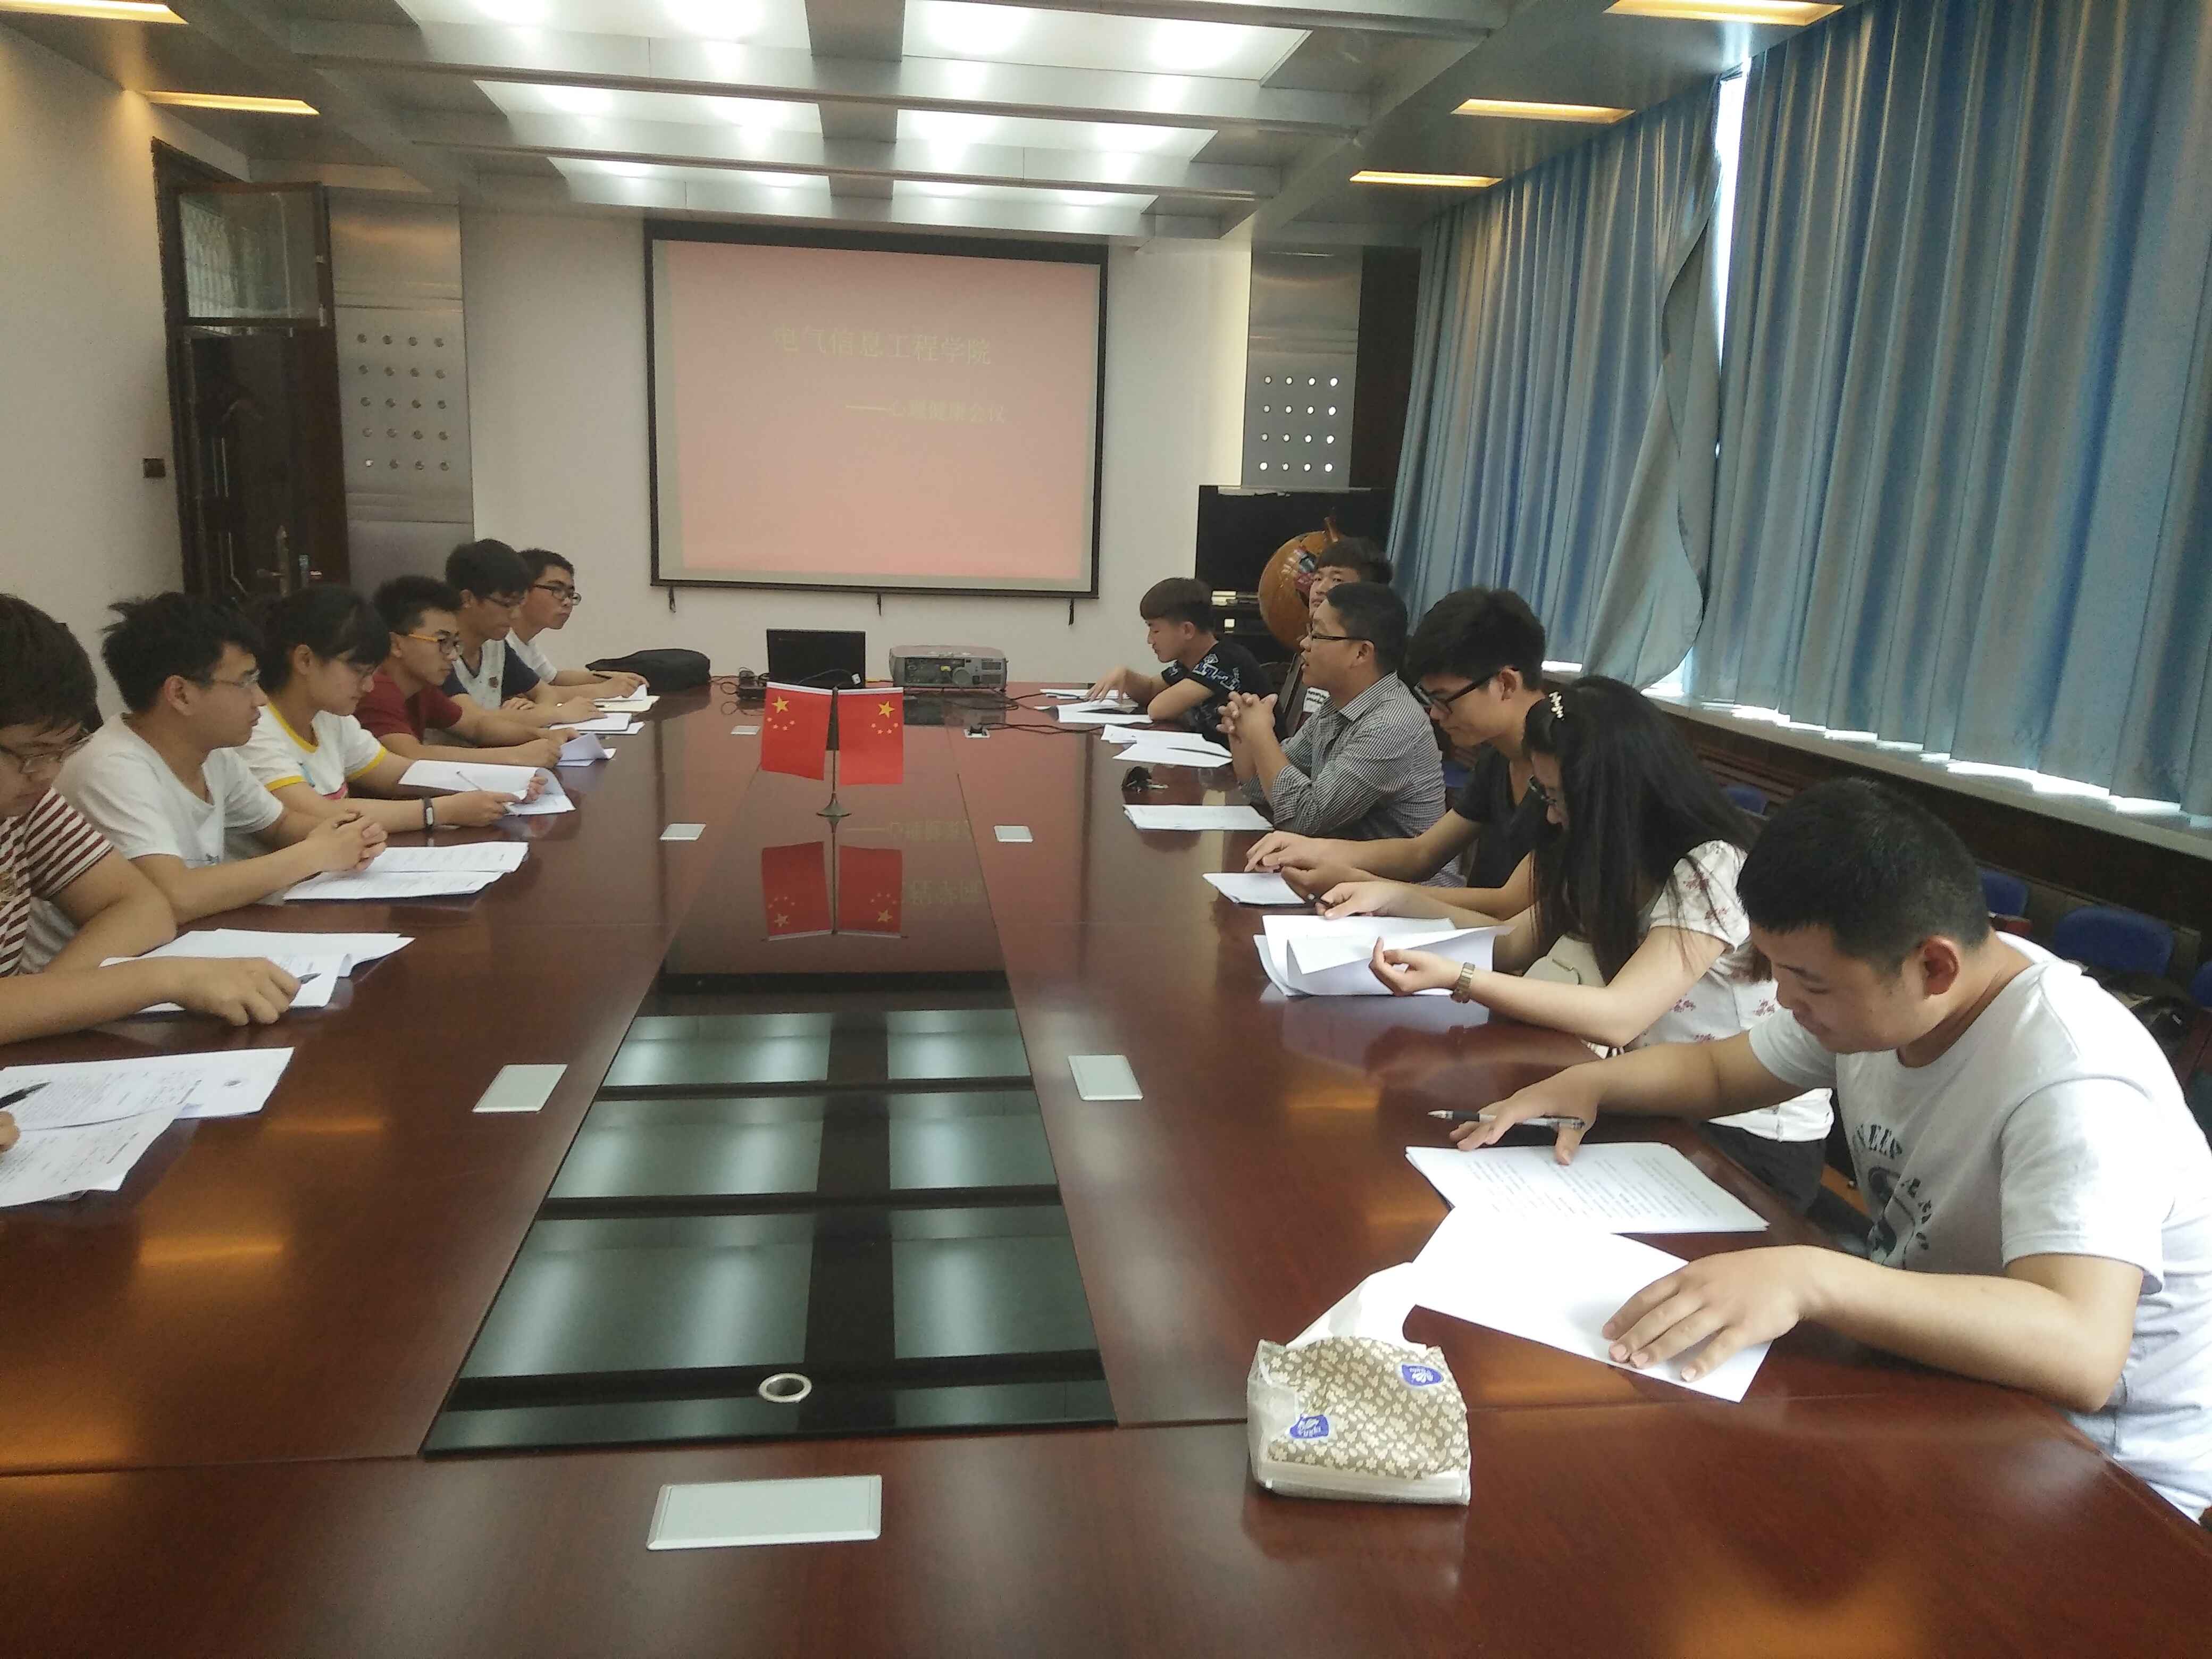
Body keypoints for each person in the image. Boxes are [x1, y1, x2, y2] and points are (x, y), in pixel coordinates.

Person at [1464, 778, 2212, 1522]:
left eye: (1807, 983)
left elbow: (2081, 1348)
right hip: (1943, 1377)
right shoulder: (1896, 995)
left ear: (1935, 968)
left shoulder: (2073, 1074)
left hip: (2103, 1472)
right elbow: (1719, 1072)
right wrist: (1590, 1084)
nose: (1784, 1001)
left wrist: (1812, 1278)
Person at [1366, 678, 1833, 1211]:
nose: (1550, 814)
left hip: (1743, 1133)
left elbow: (1619, 1017)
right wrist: (1396, 901)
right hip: (1652, 1096)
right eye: (1545, 794)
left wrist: (1462, 978)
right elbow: (1514, 943)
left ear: (1613, 797)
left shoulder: (1712, 867)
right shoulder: (1603, 853)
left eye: (1559, 797)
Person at [0, 595, 298, 1048]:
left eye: (60, 752)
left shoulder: (26, 807)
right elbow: (171, 900)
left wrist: (45, 1002)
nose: (47, 774)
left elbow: (144, 907)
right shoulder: (102, 767)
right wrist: (163, 979)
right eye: (31, 754)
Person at [49, 594, 384, 927]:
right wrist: (315, 853)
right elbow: (176, 896)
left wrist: (349, 834)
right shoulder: (111, 767)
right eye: (245, 682)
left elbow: (280, 825)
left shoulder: (213, 752)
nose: (261, 699)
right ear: (180, 694)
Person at [1249, 585, 1551, 908]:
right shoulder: (1499, 757)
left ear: (1505, 684)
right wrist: (1312, 850)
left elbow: (1514, 906)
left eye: (1444, 699)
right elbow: (1423, 852)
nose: (1435, 715)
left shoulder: (1569, 760)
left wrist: (1372, 887)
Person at [239, 584, 527, 833]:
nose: (369, 687)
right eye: (359, 672)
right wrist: (439, 811)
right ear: (305, 660)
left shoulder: (329, 717)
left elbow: (395, 773)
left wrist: (503, 779)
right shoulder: (255, 728)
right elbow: (317, 814)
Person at [1221, 582, 1444, 843]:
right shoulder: (1337, 706)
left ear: (1361, 653)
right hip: (1338, 864)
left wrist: (1261, 735)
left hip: (1394, 871)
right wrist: (1241, 732)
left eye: (1317, 635)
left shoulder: (1391, 724)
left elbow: (1303, 820)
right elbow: (1266, 791)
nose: (1304, 643)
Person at [358, 577, 564, 769]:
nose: (453, 656)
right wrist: (515, 756)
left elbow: (475, 726)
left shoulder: (420, 687)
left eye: (455, 642)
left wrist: (539, 735)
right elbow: (413, 756)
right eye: (442, 641)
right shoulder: (374, 689)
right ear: (396, 644)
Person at [1085, 576, 1267, 736]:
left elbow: (1158, 709)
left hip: (1251, 762)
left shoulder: (1225, 659)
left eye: (1155, 630)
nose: (1150, 640)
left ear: (1187, 630)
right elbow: (1151, 690)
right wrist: (1126, 675)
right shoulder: (1189, 662)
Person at [442, 540, 599, 726]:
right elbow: (472, 720)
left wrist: (536, 711)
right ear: (467, 599)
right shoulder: (440, 651)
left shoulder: (495, 644)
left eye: (519, 604)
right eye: (507, 604)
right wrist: (555, 714)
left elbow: (546, 693)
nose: (516, 615)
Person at [1275, 538, 1392, 741]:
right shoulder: (1310, 651)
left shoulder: (1384, 717)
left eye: (1337, 580)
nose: (1320, 589)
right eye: (1317, 578)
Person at [508, 549, 645, 697]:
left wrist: (610, 677)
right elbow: (526, 695)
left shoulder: (527, 641)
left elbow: (553, 679)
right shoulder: (501, 640)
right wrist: (603, 690)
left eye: (570, 594)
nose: (567, 602)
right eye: (557, 590)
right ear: (522, 590)